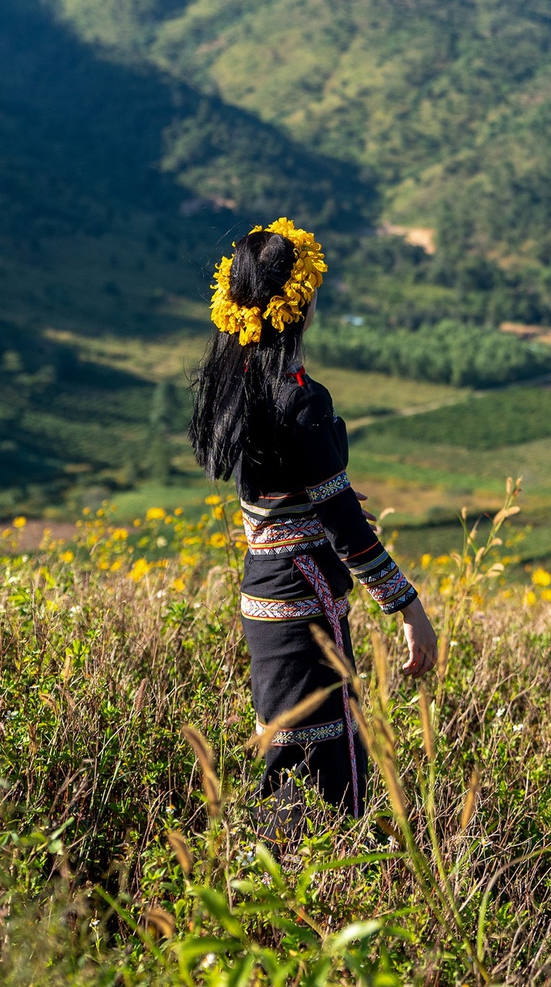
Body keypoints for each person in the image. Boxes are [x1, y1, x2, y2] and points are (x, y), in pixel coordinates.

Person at [188, 217, 437, 818]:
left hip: (263, 597)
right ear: (299, 303)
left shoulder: (236, 382)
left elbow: (287, 500)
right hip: (305, 601)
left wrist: (322, 509)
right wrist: (409, 607)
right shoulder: (299, 397)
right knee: (327, 771)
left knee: (287, 759)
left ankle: (269, 893)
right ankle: (318, 903)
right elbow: (343, 524)